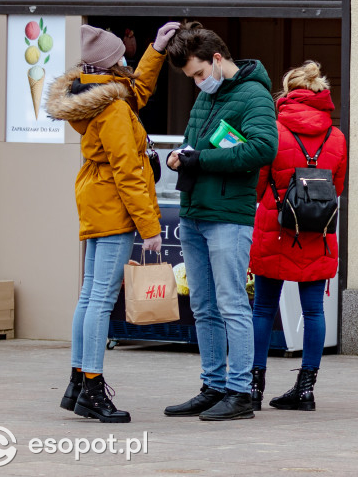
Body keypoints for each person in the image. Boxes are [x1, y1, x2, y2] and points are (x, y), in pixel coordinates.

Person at [47, 22, 175, 423]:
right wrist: (151, 227)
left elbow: (136, 89)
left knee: (89, 296)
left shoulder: (93, 95)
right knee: (100, 299)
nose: (128, 60)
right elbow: (129, 172)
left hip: (96, 200)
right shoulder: (115, 108)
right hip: (114, 206)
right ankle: (92, 388)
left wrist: (155, 50)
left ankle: (77, 379)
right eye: (124, 55)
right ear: (114, 63)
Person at [162, 22, 278, 421]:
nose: (197, 82)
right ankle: (213, 385)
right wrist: (180, 155)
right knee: (204, 305)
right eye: (190, 78)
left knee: (231, 304)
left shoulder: (255, 94)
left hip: (228, 216)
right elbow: (197, 143)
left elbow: (264, 148)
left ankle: (240, 392)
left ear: (216, 59)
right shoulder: (207, 98)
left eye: (198, 73)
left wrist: (201, 160)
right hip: (194, 212)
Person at [248, 61, 348, 411]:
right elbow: (336, 186)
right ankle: (305, 389)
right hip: (316, 231)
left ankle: (253, 387)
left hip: (275, 227)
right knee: (314, 311)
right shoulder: (336, 136)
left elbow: (259, 184)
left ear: (289, 92)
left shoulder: (273, 130)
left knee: (262, 308)